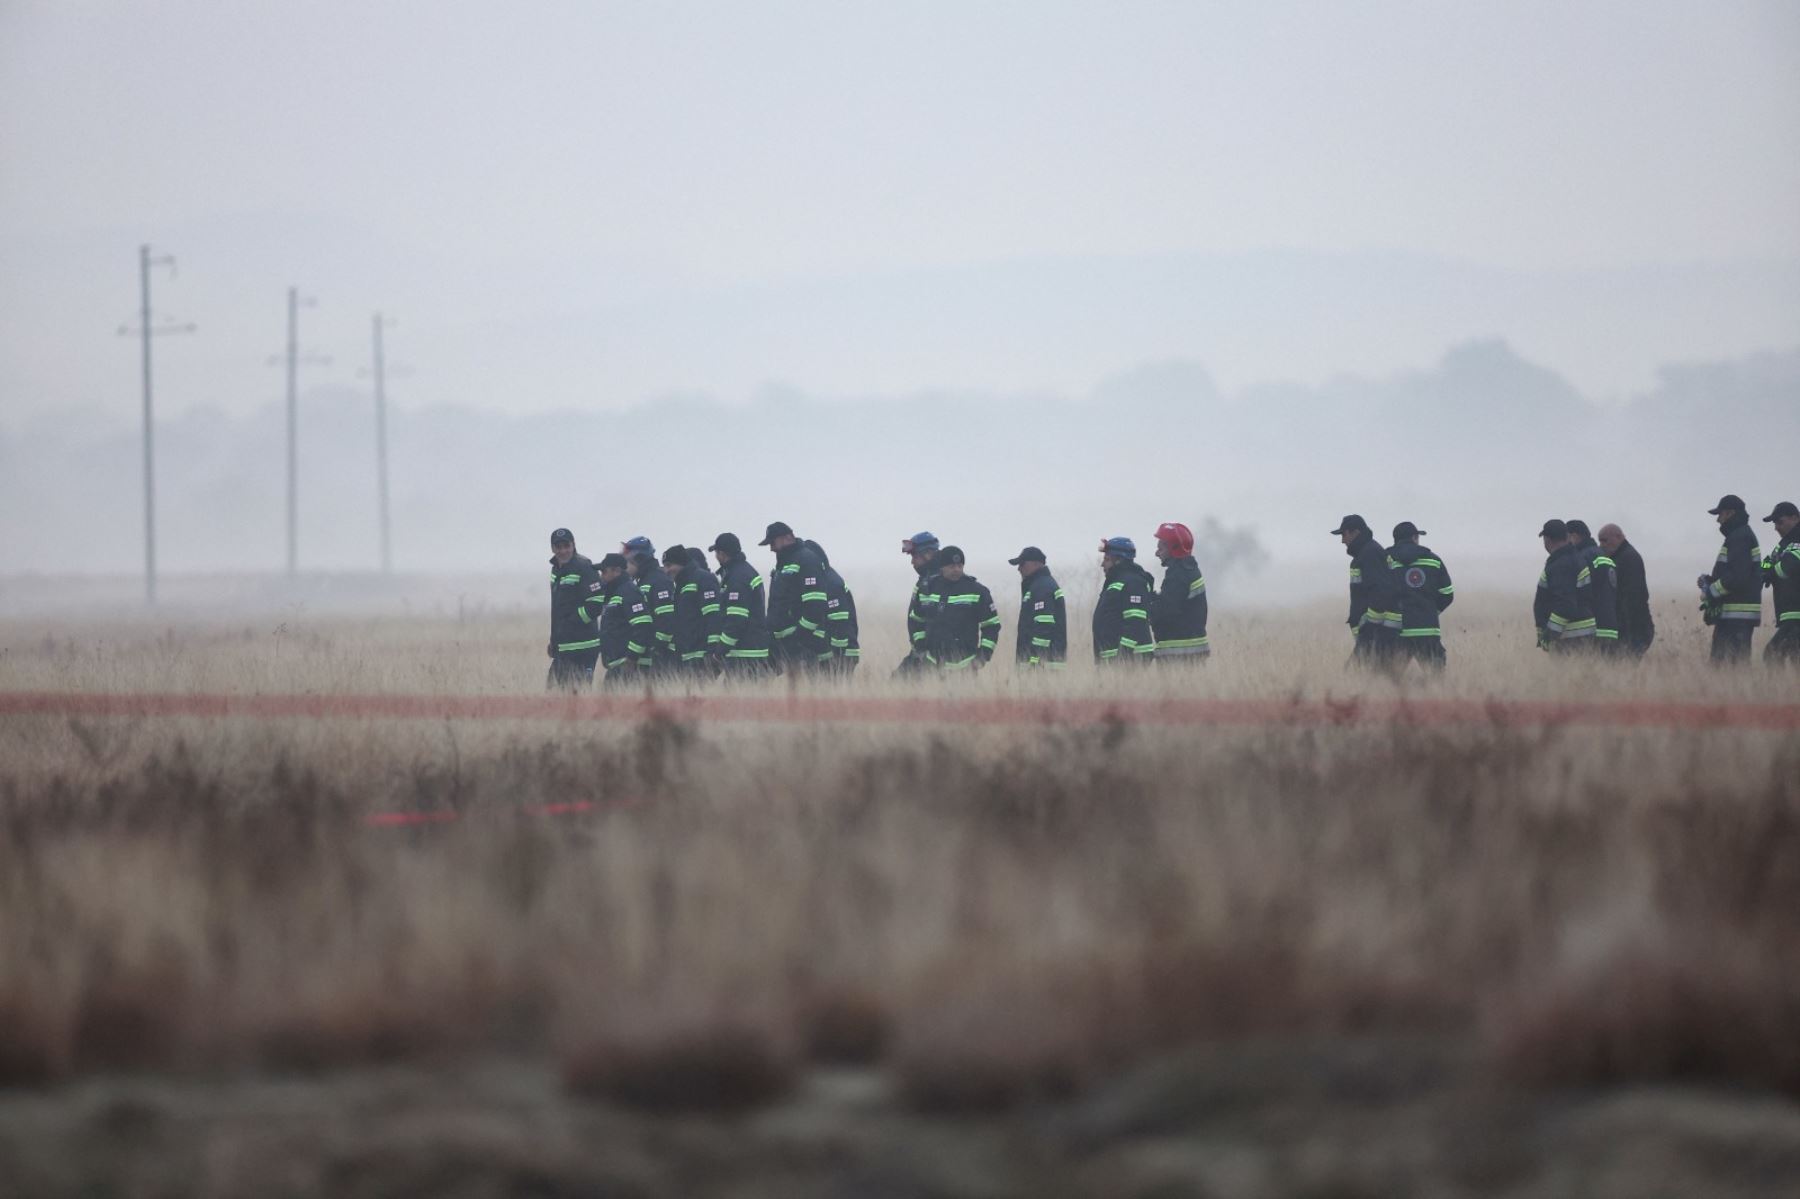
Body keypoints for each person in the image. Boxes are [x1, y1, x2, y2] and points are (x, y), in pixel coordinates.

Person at [1698, 494, 1762, 665]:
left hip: (1736, 616)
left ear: (1730, 513)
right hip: (1735, 615)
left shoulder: (1739, 537)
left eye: (1720, 514)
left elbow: (1737, 577)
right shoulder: (1739, 535)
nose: (1718, 520)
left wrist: (1710, 591)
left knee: (1727, 667)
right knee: (1728, 668)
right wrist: (1710, 581)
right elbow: (1736, 573)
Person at [762, 521, 835, 672]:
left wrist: (798, 637)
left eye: (773, 542)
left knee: (805, 692)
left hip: (803, 647)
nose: (771, 548)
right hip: (782, 645)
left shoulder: (806, 560)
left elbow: (815, 607)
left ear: (788, 537)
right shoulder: (784, 564)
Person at [1333, 514, 1400, 669]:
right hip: (1375, 631)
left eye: (1344, 534)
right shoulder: (1367, 552)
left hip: (1377, 632)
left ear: (1355, 532)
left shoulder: (1370, 554)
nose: (1342, 540)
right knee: (1377, 677)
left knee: (1354, 673)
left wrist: (1370, 626)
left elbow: (1380, 591)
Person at [921, 546, 1001, 671]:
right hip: (932, 666)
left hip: (966, 667)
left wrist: (982, 657)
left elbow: (991, 626)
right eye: (952, 566)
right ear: (942, 567)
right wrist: (921, 650)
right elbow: (917, 619)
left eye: (960, 566)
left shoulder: (978, 591)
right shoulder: (929, 588)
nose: (956, 570)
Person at [1386, 521, 1452, 671]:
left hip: (1396, 631)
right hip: (1428, 630)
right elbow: (1447, 593)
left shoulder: (1385, 560)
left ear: (1395, 540)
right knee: (1436, 680)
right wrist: (1431, 612)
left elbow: (1378, 593)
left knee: (1391, 681)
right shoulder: (1433, 560)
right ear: (1415, 538)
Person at [709, 532, 776, 676]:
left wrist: (719, 651)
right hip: (753, 651)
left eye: (716, 552)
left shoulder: (736, 578)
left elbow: (736, 620)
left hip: (744, 654)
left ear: (722, 554)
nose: (716, 557)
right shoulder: (745, 572)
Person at [545, 527, 604, 690]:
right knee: (552, 691)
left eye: (566, 546)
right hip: (563, 646)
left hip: (583, 646)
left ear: (573, 545)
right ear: (552, 548)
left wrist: (573, 622)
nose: (563, 550)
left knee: (578, 693)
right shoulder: (556, 570)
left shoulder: (584, 566)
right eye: (558, 547)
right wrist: (554, 640)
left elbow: (597, 601)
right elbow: (558, 610)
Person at [1151, 521, 1210, 663]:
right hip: (1192, 651)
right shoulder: (1189, 570)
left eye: (1160, 548)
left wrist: (1147, 601)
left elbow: (1166, 610)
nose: (1156, 553)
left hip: (1178, 654)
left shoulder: (1178, 575)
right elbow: (1178, 604)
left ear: (1173, 548)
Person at [1534, 519, 1596, 652]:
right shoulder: (1575, 559)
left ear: (1547, 539)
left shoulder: (1561, 565)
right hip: (1581, 636)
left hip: (1570, 638)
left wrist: (1549, 636)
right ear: (1567, 537)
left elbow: (1565, 605)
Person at [1093, 536, 1157, 664]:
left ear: (1118, 560)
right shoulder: (1117, 581)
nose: (1102, 564)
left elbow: (1135, 622)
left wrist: (1123, 655)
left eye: (1106, 559)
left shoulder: (1133, 583)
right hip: (1115, 657)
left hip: (1131, 658)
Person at [803, 538, 861, 675]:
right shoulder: (820, 579)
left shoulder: (831, 584)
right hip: (827, 654)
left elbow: (840, 625)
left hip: (841, 655)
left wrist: (836, 661)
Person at [663, 545, 722, 677]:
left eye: (669, 565)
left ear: (681, 563)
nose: (666, 570)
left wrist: (712, 653)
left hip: (701, 658)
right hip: (684, 659)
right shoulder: (681, 585)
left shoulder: (703, 579)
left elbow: (713, 617)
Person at [1596, 524, 1654, 657]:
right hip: (1627, 627)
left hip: (1635, 628)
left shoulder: (1629, 558)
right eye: (1600, 541)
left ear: (1619, 537)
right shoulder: (1617, 557)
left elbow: (1635, 596)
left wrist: (1624, 628)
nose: (1601, 545)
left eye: (1605, 540)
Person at [596, 552, 650, 688]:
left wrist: (632, 658)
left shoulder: (629, 592)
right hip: (616, 665)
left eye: (604, 571)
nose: (601, 576)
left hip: (628, 666)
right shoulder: (615, 593)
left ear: (617, 571)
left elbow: (643, 626)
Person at [1567, 520, 1619, 653]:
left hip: (1591, 630)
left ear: (1575, 536)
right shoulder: (1605, 557)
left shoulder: (1581, 558)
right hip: (1610, 629)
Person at [1010, 546, 1067, 669]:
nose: (1019, 568)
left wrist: (1034, 660)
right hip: (1042, 664)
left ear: (1036, 564)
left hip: (1042, 667)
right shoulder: (1039, 585)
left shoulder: (1042, 588)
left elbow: (1044, 626)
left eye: (1022, 564)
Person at [896, 532, 943, 676]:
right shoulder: (925, 580)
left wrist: (926, 655)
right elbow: (917, 620)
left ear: (928, 554)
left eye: (915, 556)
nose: (912, 562)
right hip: (920, 654)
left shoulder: (941, 581)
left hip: (935, 659)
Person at [627, 550, 680, 674]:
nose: (626, 567)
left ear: (638, 561)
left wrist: (658, 648)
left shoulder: (659, 581)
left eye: (628, 562)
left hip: (660, 656)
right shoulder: (643, 581)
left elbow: (667, 620)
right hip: (647, 654)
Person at [1761, 500, 1800, 664]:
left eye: (1780, 522)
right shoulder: (1783, 545)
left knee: (1772, 654)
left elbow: (1785, 569)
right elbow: (1766, 564)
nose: (1776, 527)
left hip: (1796, 615)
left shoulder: (1797, 542)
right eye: (1774, 523)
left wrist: (1770, 570)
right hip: (1788, 614)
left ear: (1795, 518)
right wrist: (1767, 569)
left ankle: (1773, 687)